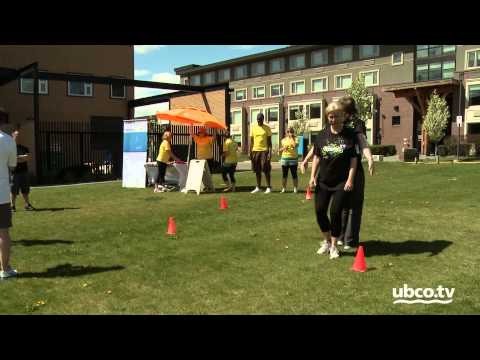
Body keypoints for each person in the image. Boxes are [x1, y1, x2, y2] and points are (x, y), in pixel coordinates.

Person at [309, 101, 357, 260]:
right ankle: (327, 241)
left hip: (341, 182)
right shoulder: (322, 135)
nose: (333, 119)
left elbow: (353, 160)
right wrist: (312, 177)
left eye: (336, 116)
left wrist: (350, 179)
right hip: (323, 181)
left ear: (342, 116)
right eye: (330, 117)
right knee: (319, 211)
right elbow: (316, 157)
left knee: (335, 212)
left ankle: (335, 247)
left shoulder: (350, 134)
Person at [336, 95, 375, 250]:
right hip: (354, 169)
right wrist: (370, 158)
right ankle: (349, 240)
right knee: (355, 206)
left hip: (339, 169)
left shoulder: (337, 122)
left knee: (342, 204)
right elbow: (362, 142)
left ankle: (339, 237)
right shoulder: (358, 123)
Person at [0, 118, 18, 279]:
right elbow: (12, 166)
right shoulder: (7, 140)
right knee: (3, 232)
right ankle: (5, 269)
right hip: (1, 193)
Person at [10, 128, 35, 212]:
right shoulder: (10, 148)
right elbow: (11, 159)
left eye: (19, 135)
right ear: (12, 136)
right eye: (16, 135)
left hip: (24, 172)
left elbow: (27, 158)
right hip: (14, 173)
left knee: (25, 190)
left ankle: (27, 205)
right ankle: (12, 206)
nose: (18, 137)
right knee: (14, 191)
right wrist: (21, 157)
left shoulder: (24, 148)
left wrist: (17, 157)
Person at [249, 113, 272, 194]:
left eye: (260, 119)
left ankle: (268, 187)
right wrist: (250, 152)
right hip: (255, 151)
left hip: (264, 151)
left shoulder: (267, 128)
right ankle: (258, 187)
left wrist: (270, 152)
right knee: (257, 170)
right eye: (258, 119)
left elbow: (269, 142)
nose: (259, 121)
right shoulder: (253, 128)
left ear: (263, 119)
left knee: (265, 169)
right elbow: (251, 142)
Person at [279, 127, 299, 193]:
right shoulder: (283, 140)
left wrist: (292, 138)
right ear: (286, 133)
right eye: (288, 132)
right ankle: (283, 188)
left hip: (293, 159)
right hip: (285, 159)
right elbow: (280, 150)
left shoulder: (296, 138)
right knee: (284, 175)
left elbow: (295, 145)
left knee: (294, 174)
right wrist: (283, 148)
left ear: (293, 132)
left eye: (291, 131)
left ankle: (295, 188)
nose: (289, 133)